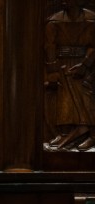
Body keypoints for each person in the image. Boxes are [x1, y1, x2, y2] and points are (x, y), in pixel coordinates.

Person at [44, 0, 95, 151]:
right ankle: (65, 131)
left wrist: (86, 65)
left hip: (85, 64)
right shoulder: (54, 21)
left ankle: (91, 134)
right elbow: (50, 47)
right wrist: (53, 71)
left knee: (86, 97)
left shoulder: (91, 19)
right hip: (63, 63)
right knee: (64, 98)